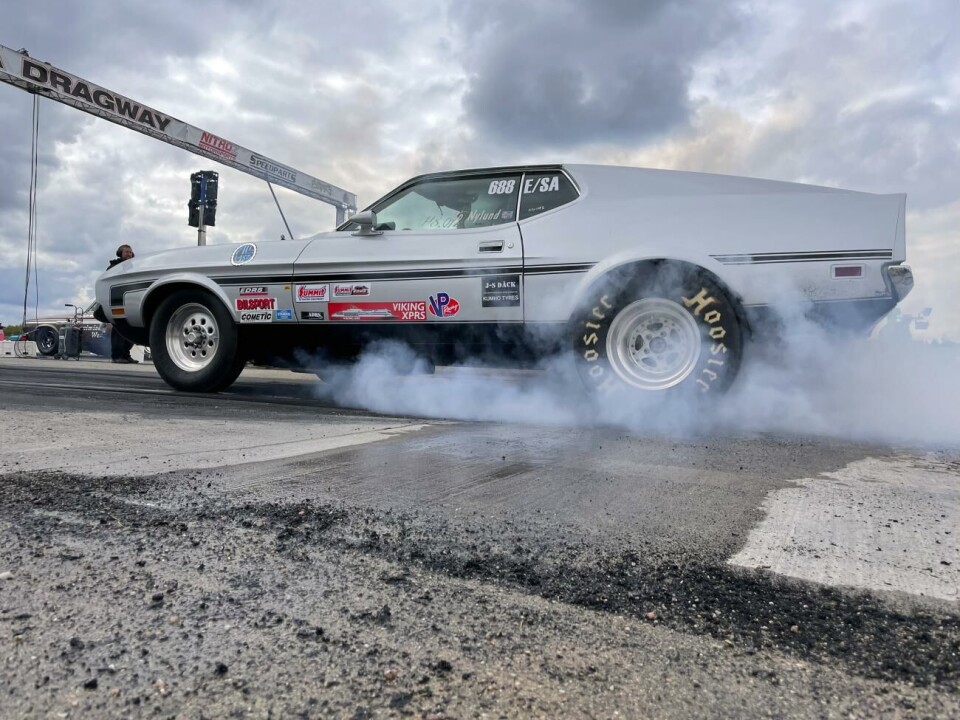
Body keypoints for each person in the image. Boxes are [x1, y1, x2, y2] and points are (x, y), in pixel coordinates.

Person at [108, 244, 138, 364]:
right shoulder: (113, 267)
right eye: (126, 252)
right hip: (118, 302)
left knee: (131, 329)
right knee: (119, 330)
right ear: (120, 253)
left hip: (130, 302)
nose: (129, 254)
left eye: (130, 252)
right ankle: (117, 356)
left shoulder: (134, 266)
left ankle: (126, 354)